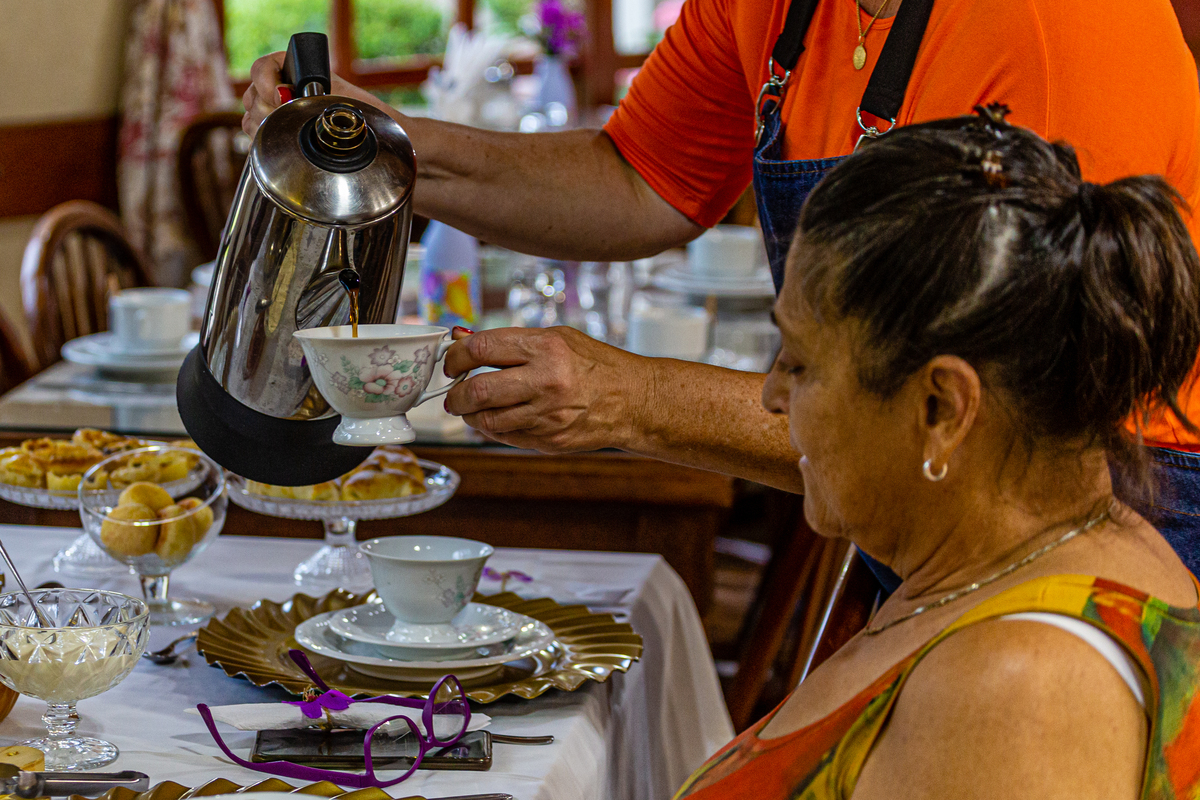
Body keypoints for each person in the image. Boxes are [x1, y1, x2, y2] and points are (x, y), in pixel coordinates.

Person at [242, 0, 1200, 568]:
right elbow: (639, 176)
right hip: (927, 506)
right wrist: (388, 146)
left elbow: (985, 434)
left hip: (1123, 501)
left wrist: (635, 397)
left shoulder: (1049, 30)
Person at [672, 110, 1200, 799]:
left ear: (942, 409)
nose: (773, 395)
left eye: (800, 364)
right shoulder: (1012, 562)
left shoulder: (1022, 690)